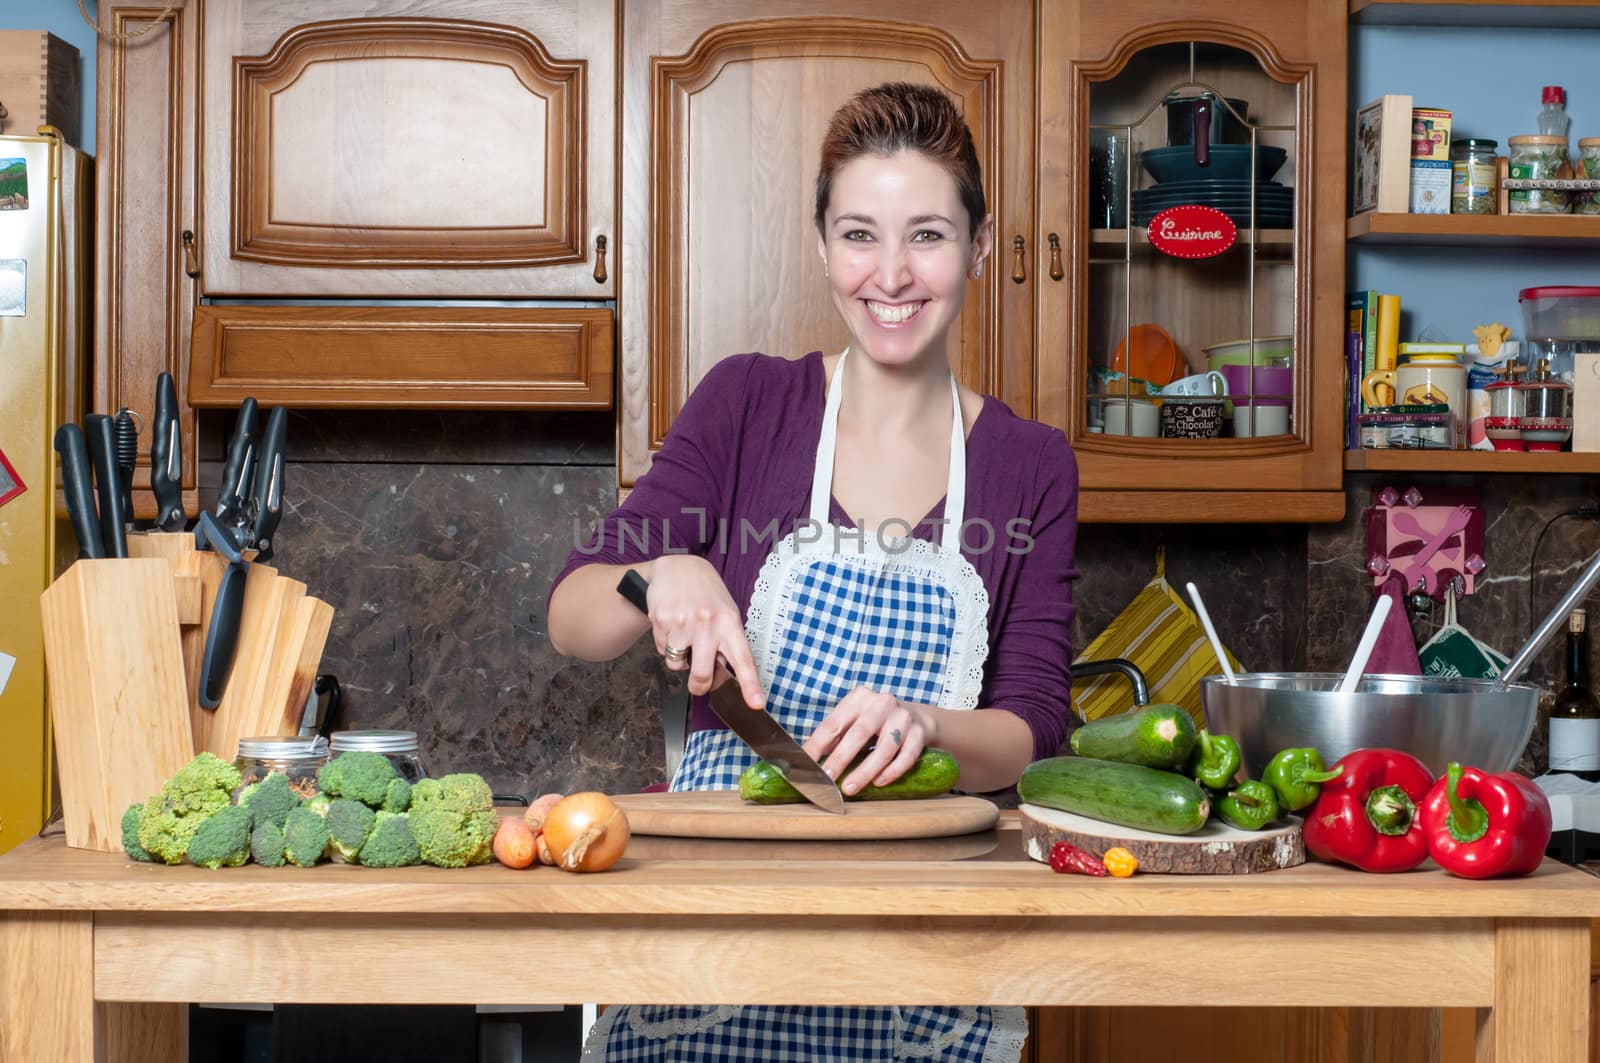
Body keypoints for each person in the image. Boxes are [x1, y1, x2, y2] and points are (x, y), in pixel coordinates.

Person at [548, 82, 1079, 1063]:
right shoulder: (748, 405)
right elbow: (573, 615)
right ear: (823, 243)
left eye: (925, 234)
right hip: (718, 923)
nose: (890, 275)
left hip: (923, 944)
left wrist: (926, 729)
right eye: (857, 234)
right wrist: (656, 572)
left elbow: (1033, 728)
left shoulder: (1029, 464)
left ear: (979, 243)